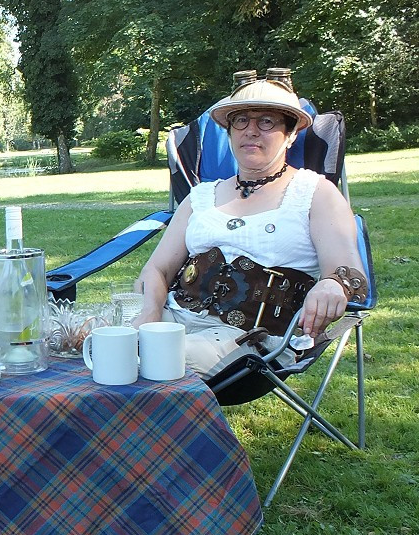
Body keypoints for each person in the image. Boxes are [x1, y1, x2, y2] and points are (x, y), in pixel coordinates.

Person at [131, 69, 368, 376]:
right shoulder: (201, 196)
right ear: (229, 131)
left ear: (291, 133)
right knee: (81, 339)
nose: (251, 130)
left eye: (266, 121)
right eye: (241, 120)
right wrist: (150, 312)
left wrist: (333, 285)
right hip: (172, 319)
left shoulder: (315, 193)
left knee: (147, 360)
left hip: (253, 342)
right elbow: (157, 269)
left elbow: (350, 274)